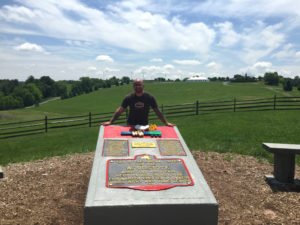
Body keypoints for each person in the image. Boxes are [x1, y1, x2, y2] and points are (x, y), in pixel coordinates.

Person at [102, 79, 175, 127]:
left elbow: (157, 111)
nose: (137, 86)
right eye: (135, 85)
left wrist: (166, 123)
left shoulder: (149, 97)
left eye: (139, 84)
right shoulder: (129, 97)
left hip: (144, 125)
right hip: (130, 125)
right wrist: (110, 122)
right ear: (133, 87)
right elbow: (120, 110)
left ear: (143, 86)